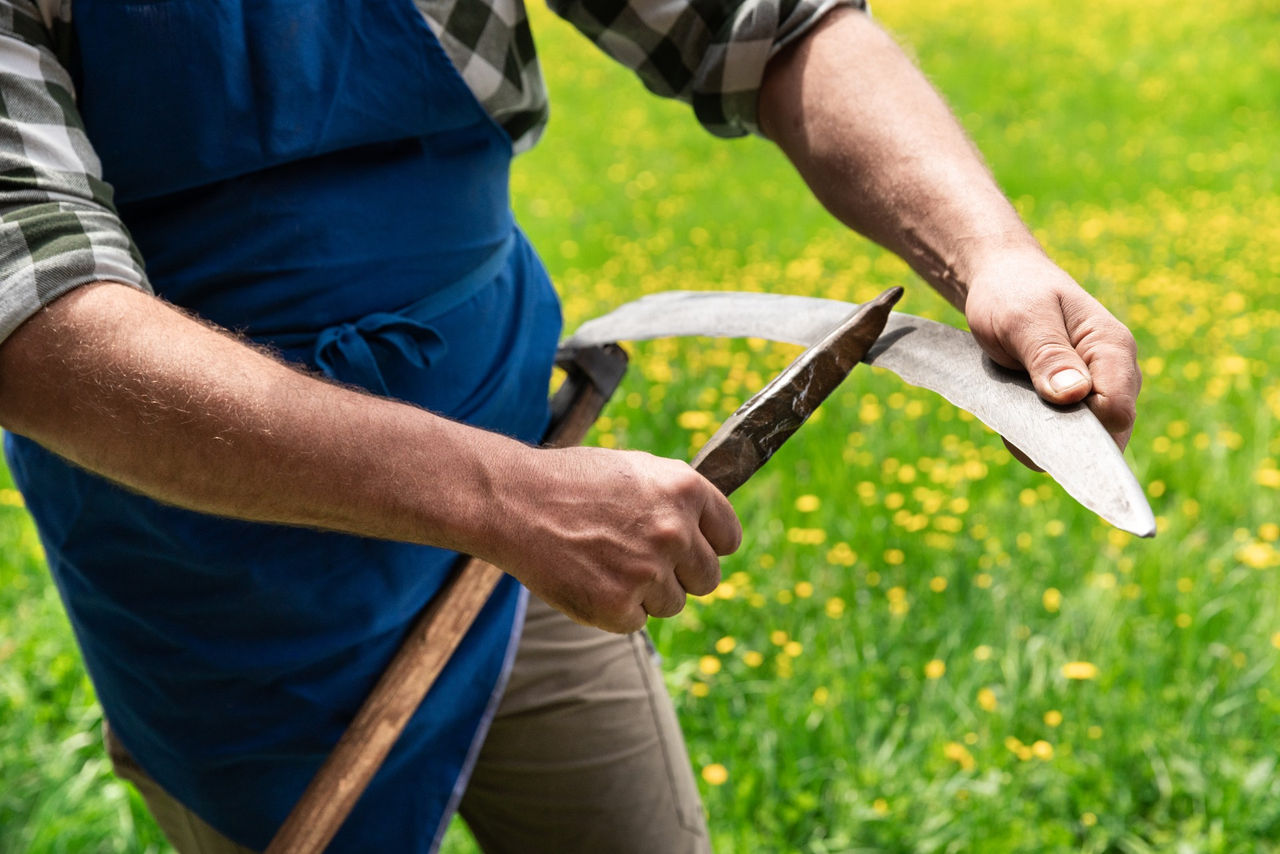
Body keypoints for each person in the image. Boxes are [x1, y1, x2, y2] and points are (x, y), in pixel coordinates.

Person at [0, 0, 1140, 851]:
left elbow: (763, 21)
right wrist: (501, 498)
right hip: (209, 543)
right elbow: (36, 315)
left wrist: (986, 250)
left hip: (518, 478)